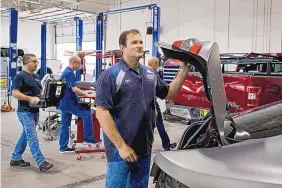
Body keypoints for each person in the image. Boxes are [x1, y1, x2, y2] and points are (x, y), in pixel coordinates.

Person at [95, 29, 191, 188]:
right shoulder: (110, 75)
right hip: (120, 150)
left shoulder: (150, 74)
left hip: (144, 147)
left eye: (140, 42)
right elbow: (102, 112)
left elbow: (168, 93)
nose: (139, 45)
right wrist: (121, 146)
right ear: (122, 48)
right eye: (134, 42)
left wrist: (184, 69)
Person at [10, 53, 54, 172]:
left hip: (35, 111)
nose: (36, 64)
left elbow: (40, 91)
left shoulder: (35, 76)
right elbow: (14, 93)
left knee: (26, 135)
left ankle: (15, 157)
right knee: (32, 136)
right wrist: (29, 98)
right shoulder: (20, 76)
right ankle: (41, 162)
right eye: (33, 61)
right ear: (26, 62)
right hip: (25, 111)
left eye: (36, 61)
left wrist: (49, 94)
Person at [58, 56, 98, 153]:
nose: (80, 66)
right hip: (69, 102)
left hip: (63, 102)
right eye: (79, 64)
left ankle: (63, 147)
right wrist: (87, 93)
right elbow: (74, 89)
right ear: (74, 63)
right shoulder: (70, 73)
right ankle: (88, 139)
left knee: (65, 124)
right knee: (87, 115)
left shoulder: (66, 72)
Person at [148, 57, 177, 151]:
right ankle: (166, 145)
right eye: (157, 64)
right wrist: (175, 82)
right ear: (154, 64)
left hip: (144, 102)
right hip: (152, 102)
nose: (157, 66)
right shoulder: (154, 74)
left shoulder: (143, 71)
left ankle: (166, 144)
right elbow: (163, 89)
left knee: (152, 124)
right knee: (158, 123)